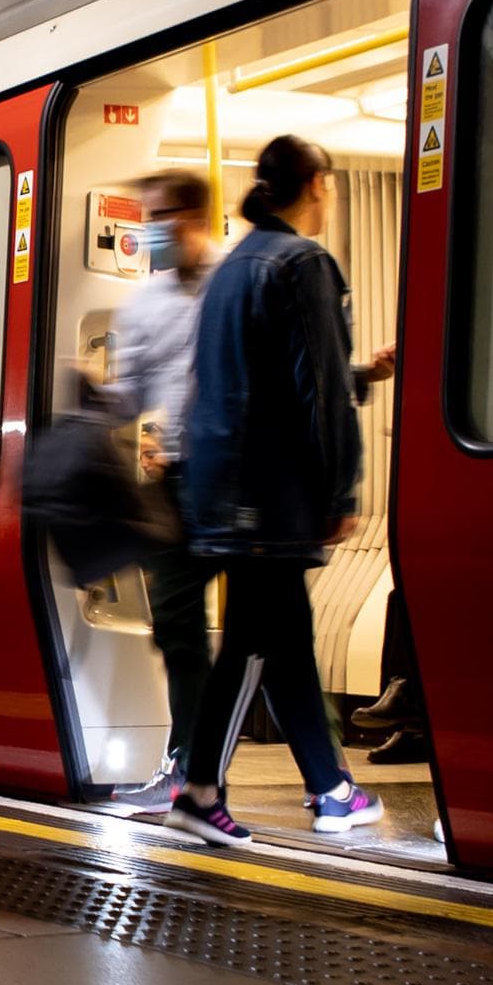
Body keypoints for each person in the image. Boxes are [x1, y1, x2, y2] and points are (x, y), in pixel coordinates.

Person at [170, 133, 396, 844]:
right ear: (317, 182)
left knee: (286, 638)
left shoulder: (233, 266)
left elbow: (251, 381)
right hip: (269, 493)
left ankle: (331, 789)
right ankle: (199, 789)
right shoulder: (302, 262)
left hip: (226, 485)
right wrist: (338, 491)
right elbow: (317, 392)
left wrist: (359, 376)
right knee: (252, 644)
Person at [104, 170, 220, 786]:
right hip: (174, 482)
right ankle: (190, 764)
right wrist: (98, 395)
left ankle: (323, 768)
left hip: (237, 480)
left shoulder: (237, 279)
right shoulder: (142, 301)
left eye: (158, 216)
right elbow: (132, 396)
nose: (148, 230)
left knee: (270, 632)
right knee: (177, 625)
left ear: (192, 216)